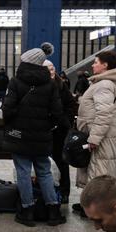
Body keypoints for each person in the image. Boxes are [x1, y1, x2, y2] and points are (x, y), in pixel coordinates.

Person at [2, 42, 66, 227]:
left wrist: (13, 122)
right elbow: (57, 112)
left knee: (23, 172)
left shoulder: (16, 81)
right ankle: (53, 211)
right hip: (42, 136)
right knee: (44, 172)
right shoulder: (50, 84)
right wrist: (47, 126)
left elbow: (8, 108)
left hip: (19, 135)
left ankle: (27, 211)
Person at [73, 51, 116, 216]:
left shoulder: (104, 84)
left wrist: (94, 138)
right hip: (100, 134)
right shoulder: (103, 83)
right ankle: (91, 205)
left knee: (99, 171)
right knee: (96, 169)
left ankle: (96, 210)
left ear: (105, 65)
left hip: (101, 136)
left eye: (96, 62)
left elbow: (104, 114)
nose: (92, 64)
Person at [43, 60, 77, 204]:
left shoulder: (61, 85)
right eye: (47, 69)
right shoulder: (39, 85)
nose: (51, 72)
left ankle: (64, 192)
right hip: (44, 130)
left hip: (60, 131)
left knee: (61, 161)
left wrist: (64, 121)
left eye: (52, 69)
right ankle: (47, 190)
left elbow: (71, 105)